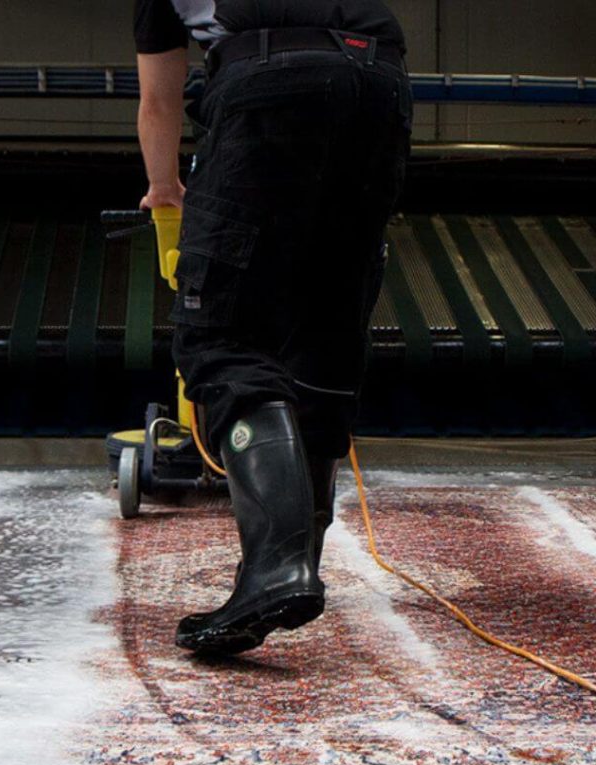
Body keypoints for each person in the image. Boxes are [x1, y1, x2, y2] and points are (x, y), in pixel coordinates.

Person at [134, 0, 411, 655]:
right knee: (324, 335)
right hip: (382, 86)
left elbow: (157, 100)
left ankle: (277, 570)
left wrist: (164, 186)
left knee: (221, 340)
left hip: (269, 81)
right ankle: (287, 570)